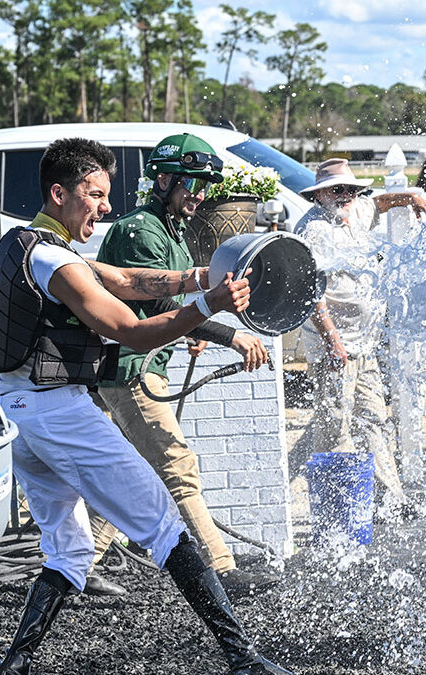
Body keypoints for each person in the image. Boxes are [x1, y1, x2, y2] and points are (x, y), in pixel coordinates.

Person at [0, 137, 291, 675]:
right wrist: (207, 305)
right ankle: (244, 661)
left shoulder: (28, 242)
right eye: (95, 195)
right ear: (60, 193)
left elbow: (126, 281)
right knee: (165, 524)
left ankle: (14, 667)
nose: (105, 207)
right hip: (59, 413)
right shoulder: (57, 261)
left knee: (71, 553)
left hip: (22, 415)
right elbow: (133, 333)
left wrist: (201, 278)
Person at [85, 133, 277, 599]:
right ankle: (220, 568)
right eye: (191, 183)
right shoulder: (140, 231)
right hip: (130, 367)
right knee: (176, 462)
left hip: (137, 365)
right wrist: (230, 334)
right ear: (164, 178)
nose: (200, 194)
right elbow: (158, 300)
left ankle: (79, 562)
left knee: (133, 470)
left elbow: (174, 311)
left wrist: (189, 331)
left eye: (205, 185)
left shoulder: (171, 233)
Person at [294, 158, 425, 513]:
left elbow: (379, 203)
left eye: (351, 189)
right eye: (338, 190)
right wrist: (332, 340)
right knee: (336, 425)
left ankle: (392, 499)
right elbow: (311, 294)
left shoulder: (356, 211)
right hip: (335, 348)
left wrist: (410, 196)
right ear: (320, 195)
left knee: (374, 419)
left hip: (363, 345)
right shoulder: (314, 231)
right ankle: (340, 507)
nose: (347, 195)